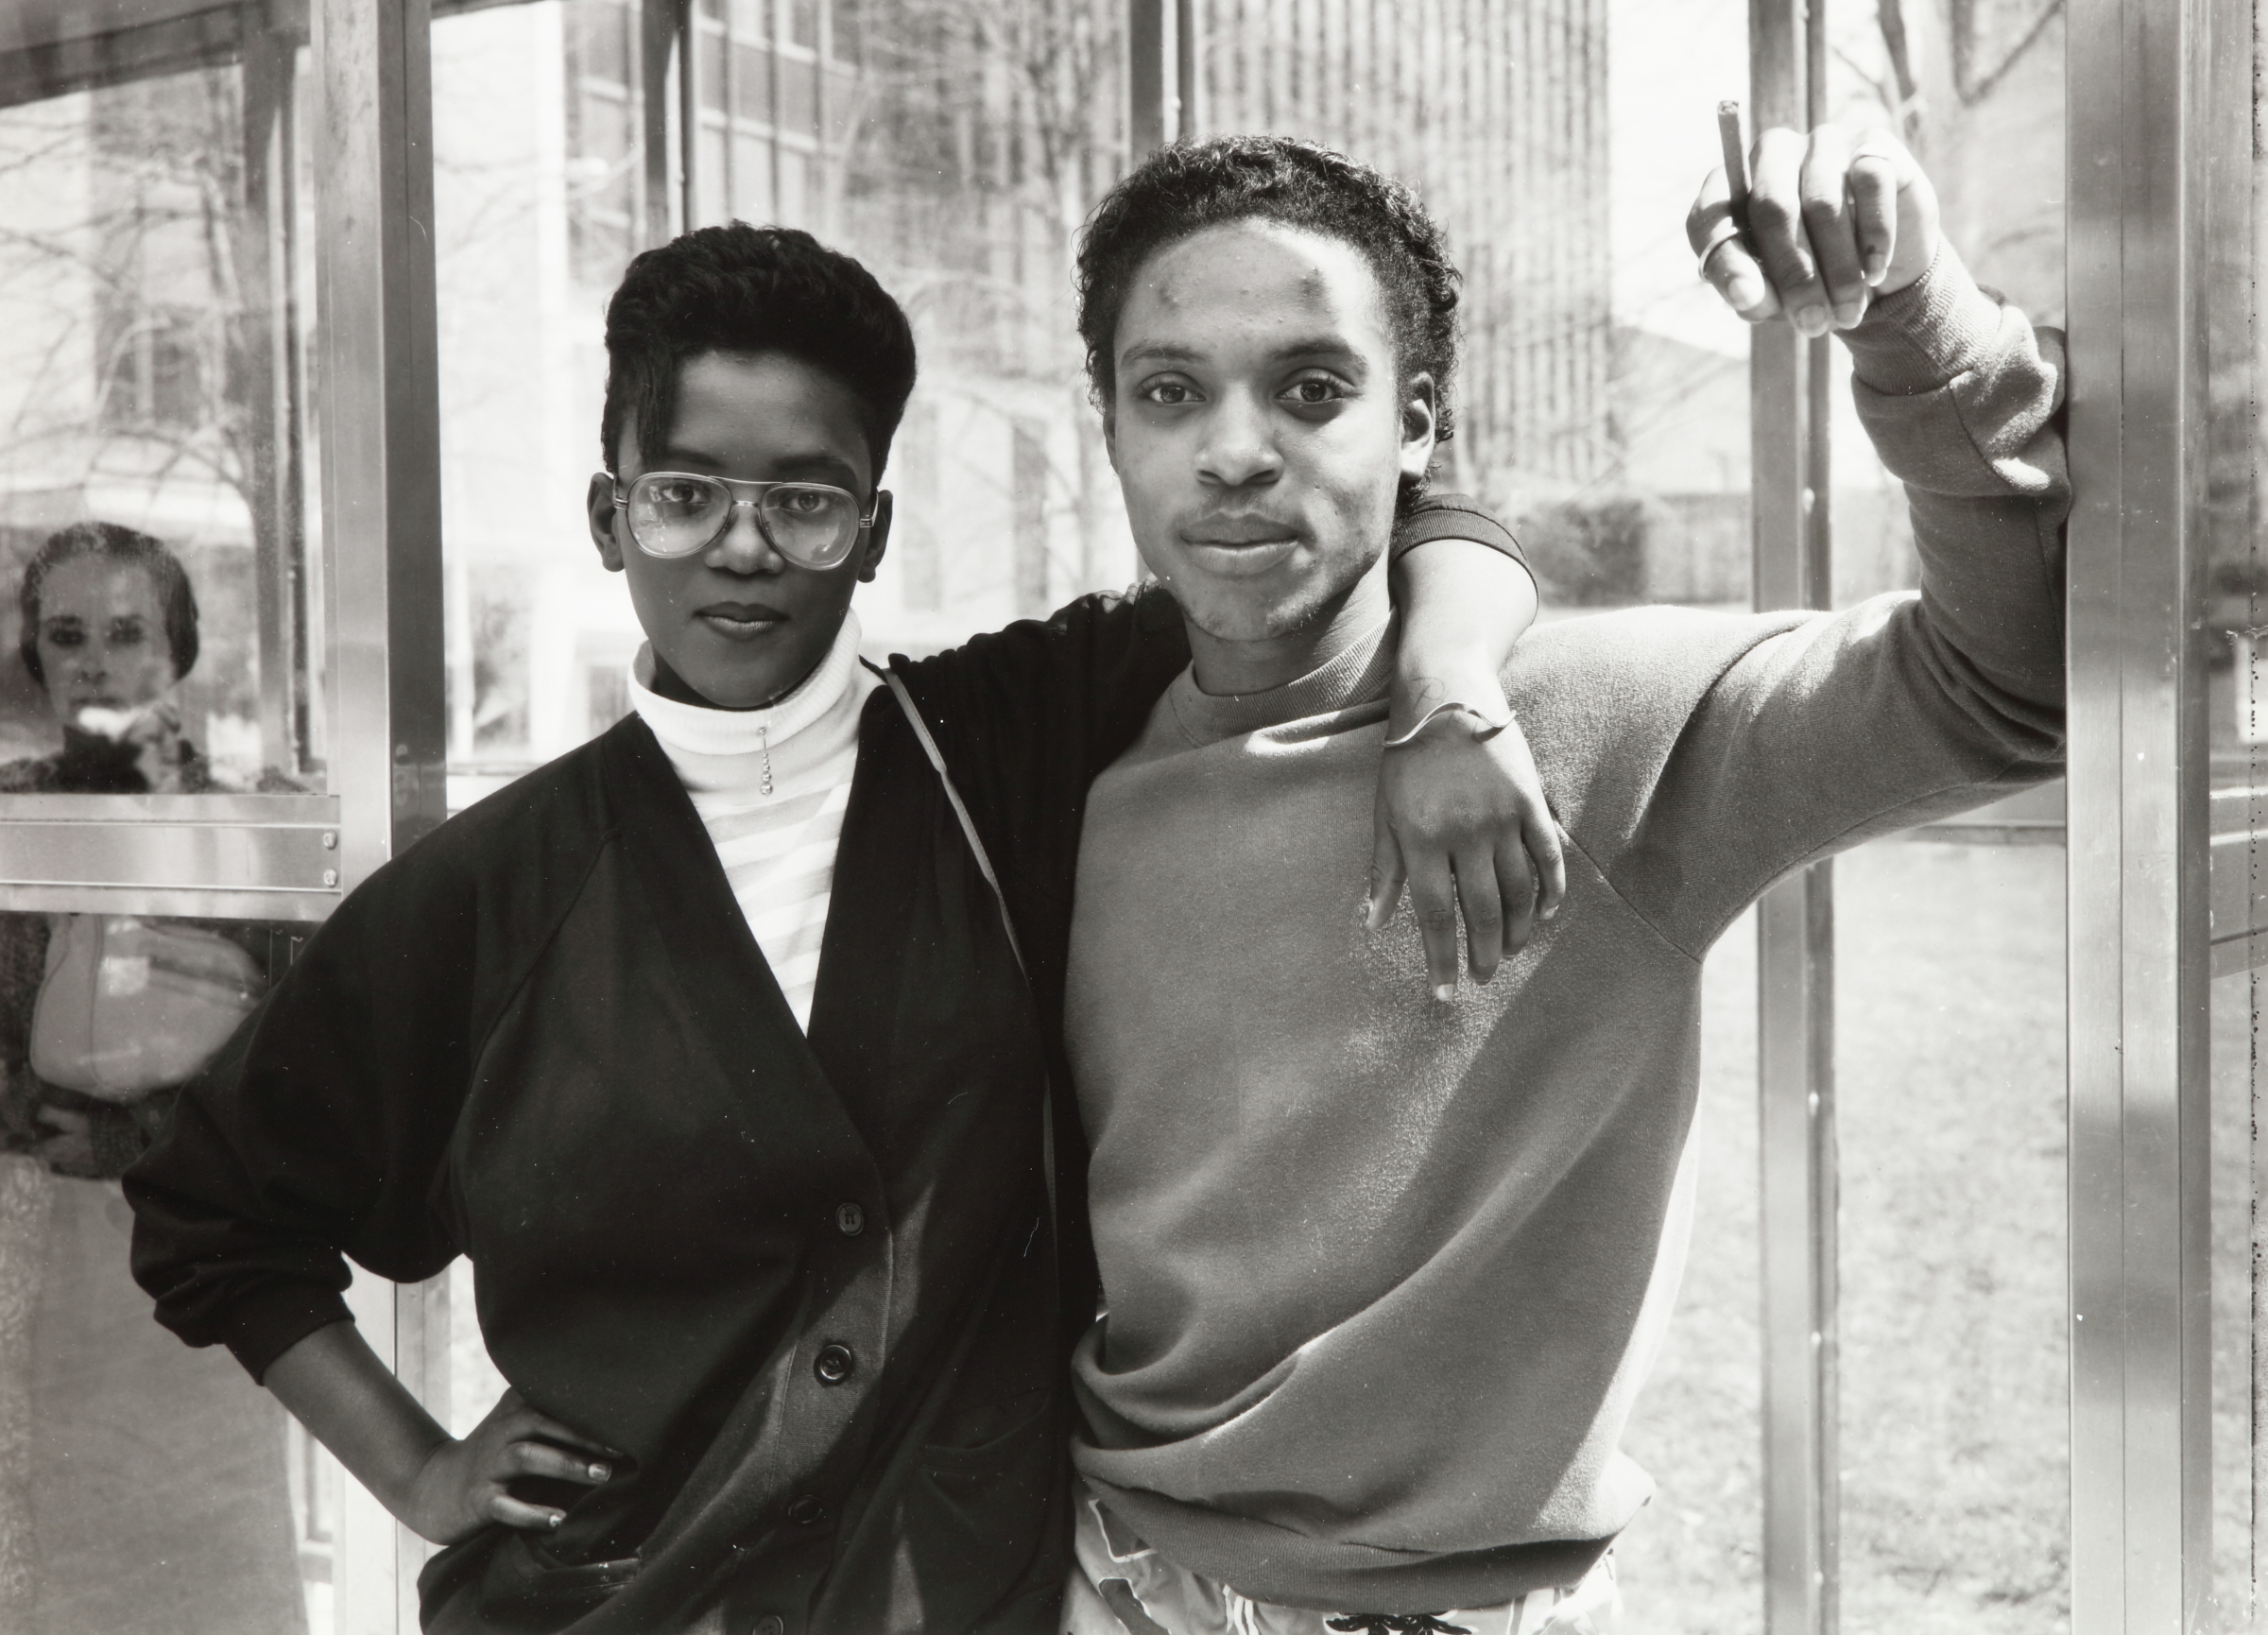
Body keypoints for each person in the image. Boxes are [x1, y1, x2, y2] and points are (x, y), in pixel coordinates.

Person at [124, 223, 1551, 1635]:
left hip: (963, 1591)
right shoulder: (488, 890)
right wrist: (421, 1470)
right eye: (685, 494)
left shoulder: (1008, 745)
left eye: (806, 501)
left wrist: (1447, 689)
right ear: (609, 515)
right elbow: (219, 1213)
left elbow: (1397, 518)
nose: (741, 548)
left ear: (870, 531)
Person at [1056, 129, 2066, 1634]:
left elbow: (2005, 684)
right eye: (1170, 390)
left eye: (1312, 388)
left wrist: (1916, 312)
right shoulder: (1063, 761)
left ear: (1416, 425)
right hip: (1107, 1575)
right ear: (1115, 425)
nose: (1234, 447)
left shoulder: (1590, 723)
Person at [0, 521, 306, 1634]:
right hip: (34, 1266)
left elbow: (308, 1069)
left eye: (127, 634)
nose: (94, 661)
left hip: (198, 1264)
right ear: (35, 658)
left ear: (175, 653)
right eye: (66, 635)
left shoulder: (248, 830)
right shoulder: (10, 811)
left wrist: (141, 1138)